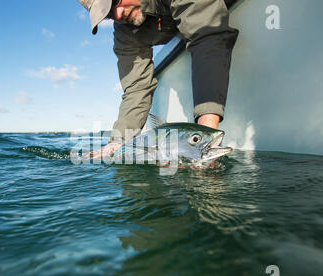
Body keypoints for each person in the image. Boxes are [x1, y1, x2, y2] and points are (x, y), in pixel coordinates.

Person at [78, 0, 238, 158]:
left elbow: (207, 36)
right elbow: (136, 87)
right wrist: (119, 141)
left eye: (116, 2)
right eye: (109, 14)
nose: (118, 14)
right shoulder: (123, 32)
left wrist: (203, 136)